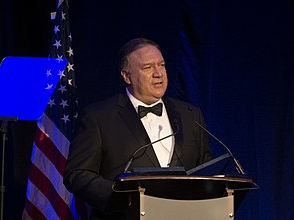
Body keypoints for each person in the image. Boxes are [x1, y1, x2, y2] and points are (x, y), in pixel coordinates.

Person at [63, 38, 213, 219]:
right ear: (127, 76)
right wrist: (120, 197)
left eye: (162, 65)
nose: (158, 73)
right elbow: (77, 174)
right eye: (148, 67)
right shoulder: (99, 117)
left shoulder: (190, 115)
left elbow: (205, 168)